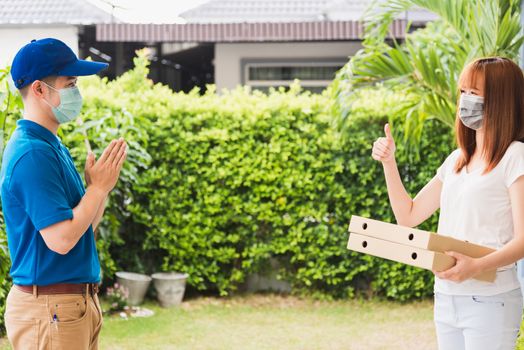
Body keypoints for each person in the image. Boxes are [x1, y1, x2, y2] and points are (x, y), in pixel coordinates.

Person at [371, 57, 524, 350]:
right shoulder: (456, 160)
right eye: (463, 92)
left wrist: (476, 266)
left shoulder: (515, 157)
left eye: (475, 93)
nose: (465, 101)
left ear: (502, 99)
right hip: (446, 295)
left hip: (491, 300)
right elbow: (409, 216)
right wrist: (389, 162)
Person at [0, 38, 127, 349]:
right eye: (70, 83)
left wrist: (101, 189)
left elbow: (83, 230)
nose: (76, 93)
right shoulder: (32, 154)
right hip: (51, 309)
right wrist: (96, 188)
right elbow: (61, 240)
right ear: (40, 89)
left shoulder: (51, 146)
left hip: (71, 306)